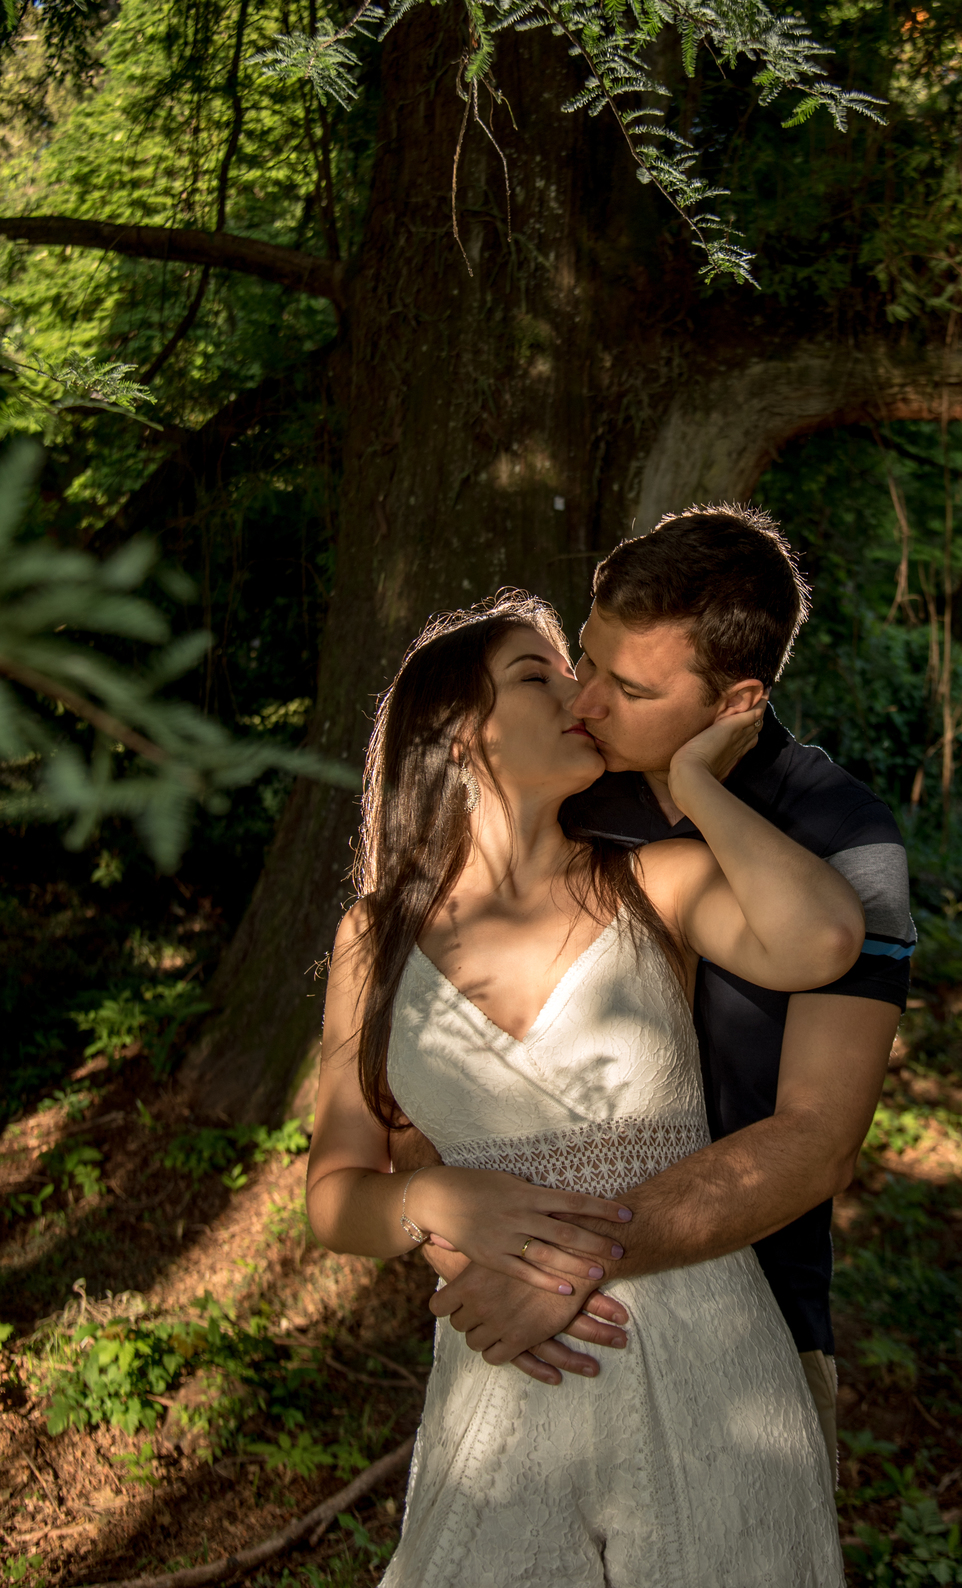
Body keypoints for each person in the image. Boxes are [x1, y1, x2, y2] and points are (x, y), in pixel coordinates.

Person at [306, 589, 865, 1586]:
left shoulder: (655, 881)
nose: (582, 695)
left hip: (711, 1371)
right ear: (458, 731)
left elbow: (822, 938)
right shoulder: (375, 938)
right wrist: (430, 1197)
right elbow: (335, 1194)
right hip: (506, 1387)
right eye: (542, 673)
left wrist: (693, 782)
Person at [419, 506, 915, 1473]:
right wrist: (479, 1250)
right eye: (586, 658)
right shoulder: (560, 791)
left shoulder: (843, 838)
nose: (587, 700)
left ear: (737, 701)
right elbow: (428, 1040)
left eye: (633, 688)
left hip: (751, 1331)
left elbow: (817, 1143)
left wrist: (699, 792)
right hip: (531, 1324)